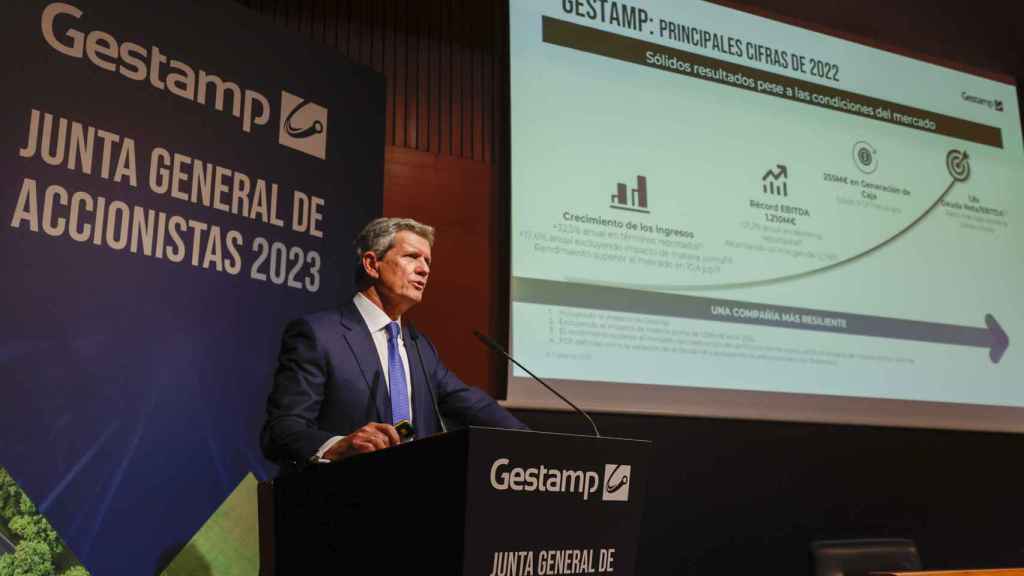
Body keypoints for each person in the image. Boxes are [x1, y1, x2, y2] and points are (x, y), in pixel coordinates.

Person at [260, 217, 526, 469]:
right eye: (412, 257)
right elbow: (282, 430)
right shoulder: (318, 334)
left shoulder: (419, 346)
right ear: (372, 264)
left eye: (427, 262)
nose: (424, 269)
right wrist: (337, 446)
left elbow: (471, 405)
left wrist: (535, 443)